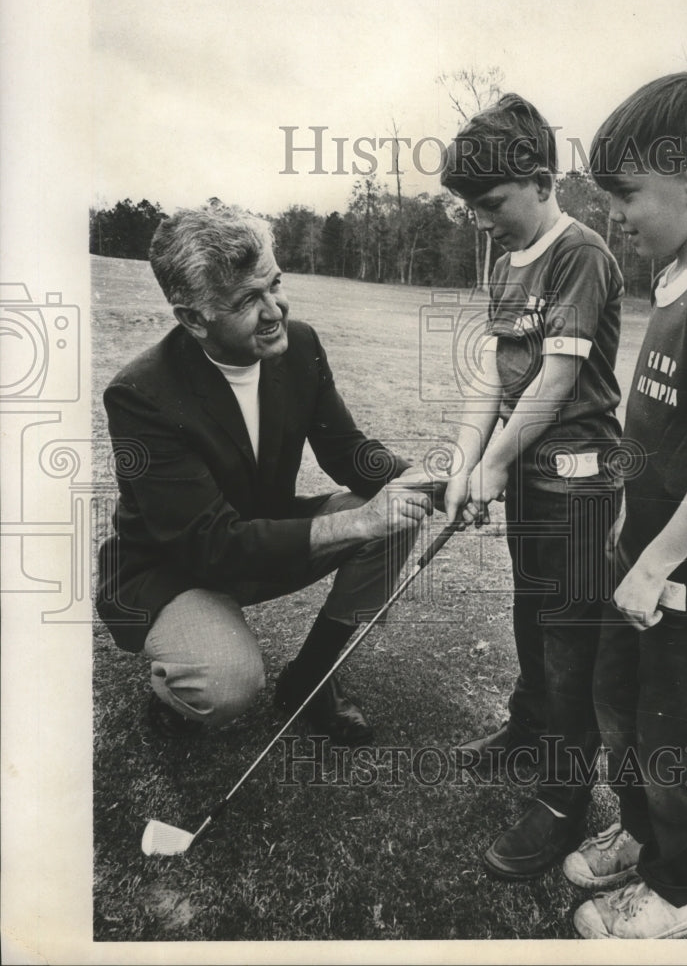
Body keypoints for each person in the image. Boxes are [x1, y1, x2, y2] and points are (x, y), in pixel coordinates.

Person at [95, 204, 435, 745]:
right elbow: (210, 544)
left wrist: (435, 482)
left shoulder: (299, 345)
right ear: (193, 318)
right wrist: (356, 524)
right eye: (248, 300)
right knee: (224, 682)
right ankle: (180, 681)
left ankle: (311, 678)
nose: (275, 308)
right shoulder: (141, 395)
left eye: (274, 283)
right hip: (178, 569)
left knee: (398, 511)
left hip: (263, 539)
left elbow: (350, 454)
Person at [564, 69, 687, 939]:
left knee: (678, 741)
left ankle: (678, 894)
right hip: (642, 565)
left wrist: (653, 564)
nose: (614, 212)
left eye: (626, 193)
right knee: (627, 714)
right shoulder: (677, 278)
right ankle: (642, 839)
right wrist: (625, 527)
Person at [439, 94, 624, 879]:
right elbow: (494, 375)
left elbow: (555, 381)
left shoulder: (579, 252)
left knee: (569, 636)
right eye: (471, 208)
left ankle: (562, 796)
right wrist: (465, 464)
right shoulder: (505, 258)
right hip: (529, 477)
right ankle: (528, 732)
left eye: (490, 204)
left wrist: (499, 461)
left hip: (577, 482)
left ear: (542, 180)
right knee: (528, 610)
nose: (480, 220)